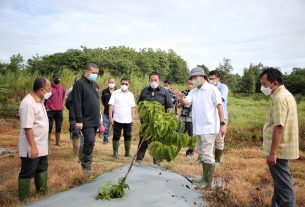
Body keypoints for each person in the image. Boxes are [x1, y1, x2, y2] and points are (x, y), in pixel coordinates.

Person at [174, 67, 226, 188]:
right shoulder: (194, 91)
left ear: (202, 77)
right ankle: (204, 177)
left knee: (207, 154)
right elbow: (187, 102)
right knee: (203, 153)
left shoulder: (212, 90)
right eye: (191, 78)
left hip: (209, 127)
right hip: (199, 127)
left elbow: (220, 107)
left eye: (195, 78)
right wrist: (181, 98)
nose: (193, 80)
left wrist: (222, 124)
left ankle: (208, 182)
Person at [260, 67, 299, 207]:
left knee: (284, 188)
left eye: (264, 85)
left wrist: (273, 153)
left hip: (279, 150)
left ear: (274, 83)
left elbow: (279, 127)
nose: (263, 88)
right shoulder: (283, 94)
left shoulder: (280, 98)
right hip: (281, 149)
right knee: (279, 183)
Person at [18, 77, 52, 201]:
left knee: (42, 168)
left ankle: (43, 193)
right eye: (49, 89)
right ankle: (24, 199)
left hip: (41, 144)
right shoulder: (28, 103)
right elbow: (27, 127)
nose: (50, 91)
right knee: (28, 171)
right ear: (42, 90)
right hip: (31, 145)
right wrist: (33, 147)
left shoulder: (39, 101)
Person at [136, 72, 174, 165]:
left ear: (159, 80)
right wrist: (141, 117)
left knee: (157, 143)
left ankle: (156, 162)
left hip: (159, 124)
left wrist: (167, 120)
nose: (153, 81)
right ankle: (138, 160)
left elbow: (169, 107)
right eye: (152, 80)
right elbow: (140, 105)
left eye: (155, 80)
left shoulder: (164, 92)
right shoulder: (144, 91)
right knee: (143, 141)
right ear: (149, 80)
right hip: (146, 123)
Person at [71, 63, 102, 174]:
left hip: (95, 119)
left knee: (91, 142)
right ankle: (86, 166)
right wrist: (79, 120)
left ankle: (87, 162)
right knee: (89, 140)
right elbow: (77, 103)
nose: (95, 75)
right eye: (93, 73)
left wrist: (100, 119)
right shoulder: (79, 83)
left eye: (97, 73)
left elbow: (96, 103)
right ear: (86, 71)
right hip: (85, 119)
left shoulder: (94, 84)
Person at [108, 77, 136, 159]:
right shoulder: (115, 93)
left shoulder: (131, 95)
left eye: (126, 84)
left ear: (129, 85)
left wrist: (132, 118)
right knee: (116, 136)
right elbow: (111, 106)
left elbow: (132, 107)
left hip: (128, 120)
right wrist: (110, 117)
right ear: (120, 84)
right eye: (123, 83)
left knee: (128, 135)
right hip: (117, 119)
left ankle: (127, 152)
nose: (124, 85)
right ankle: (115, 152)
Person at [208, 70, 229, 164]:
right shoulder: (208, 87)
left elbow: (220, 98)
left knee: (219, 139)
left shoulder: (223, 87)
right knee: (209, 139)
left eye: (213, 79)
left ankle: (217, 160)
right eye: (210, 79)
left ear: (218, 78)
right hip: (211, 117)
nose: (211, 80)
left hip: (221, 117)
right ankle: (208, 159)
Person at [44, 72, 66, 146]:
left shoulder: (62, 88)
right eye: (55, 78)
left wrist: (61, 106)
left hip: (59, 110)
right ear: (52, 79)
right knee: (49, 126)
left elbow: (62, 98)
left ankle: (58, 142)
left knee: (59, 126)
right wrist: (46, 108)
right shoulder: (49, 89)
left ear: (60, 79)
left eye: (58, 78)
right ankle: (47, 143)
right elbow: (45, 99)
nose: (57, 79)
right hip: (50, 110)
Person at [65, 77, 84, 160]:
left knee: (84, 135)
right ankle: (76, 153)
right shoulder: (71, 93)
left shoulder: (84, 92)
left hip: (84, 117)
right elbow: (67, 105)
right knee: (75, 134)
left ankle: (82, 153)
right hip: (73, 117)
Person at [176, 78, 194, 157]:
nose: (190, 85)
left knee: (191, 136)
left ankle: (190, 152)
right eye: (189, 83)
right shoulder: (183, 92)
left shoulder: (197, 93)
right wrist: (183, 101)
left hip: (192, 119)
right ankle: (175, 150)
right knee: (179, 134)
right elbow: (177, 105)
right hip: (182, 118)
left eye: (191, 84)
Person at [101, 78, 116, 145]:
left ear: (115, 83)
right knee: (106, 127)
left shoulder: (117, 91)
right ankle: (105, 140)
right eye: (110, 82)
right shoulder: (104, 91)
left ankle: (115, 140)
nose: (111, 84)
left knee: (115, 128)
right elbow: (103, 101)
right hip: (106, 113)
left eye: (112, 82)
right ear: (108, 82)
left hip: (116, 113)